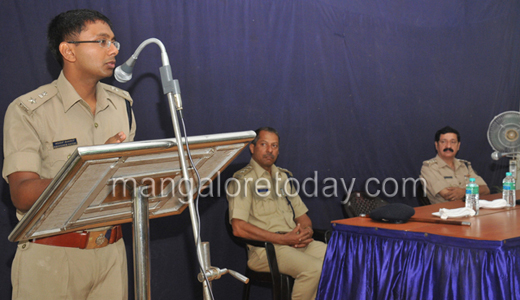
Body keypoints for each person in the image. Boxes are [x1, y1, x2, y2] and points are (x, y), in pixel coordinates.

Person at [3, 9, 135, 299]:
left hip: (112, 254)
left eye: (114, 41)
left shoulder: (122, 105)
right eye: (101, 41)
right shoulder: (28, 110)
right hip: (51, 259)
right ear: (68, 51)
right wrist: (90, 165)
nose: (113, 49)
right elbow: (22, 194)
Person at [227, 127, 327, 300]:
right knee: (314, 269)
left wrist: (306, 232)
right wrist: (283, 239)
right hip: (266, 250)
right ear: (252, 148)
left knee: (339, 258)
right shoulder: (242, 181)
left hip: (294, 242)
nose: (269, 150)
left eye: (274, 146)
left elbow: (302, 217)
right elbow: (238, 228)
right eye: (264, 144)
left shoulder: (283, 177)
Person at [420, 126, 489, 204]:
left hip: (469, 210)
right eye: (443, 142)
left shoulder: (465, 165)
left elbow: (485, 190)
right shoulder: (428, 167)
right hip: (445, 213)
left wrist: (463, 192)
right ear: (436, 145)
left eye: (453, 142)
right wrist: (472, 190)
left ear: (458, 146)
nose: (448, 146)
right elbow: (448, 195)